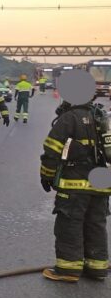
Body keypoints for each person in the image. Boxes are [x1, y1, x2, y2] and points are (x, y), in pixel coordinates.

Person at [40, 100, 110, 282]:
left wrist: (47, 175)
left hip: (74, 183)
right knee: (95, 223)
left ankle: (68, 269)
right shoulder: (101, 117)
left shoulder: (69, 118)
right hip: (102, 183)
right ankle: (97, 267)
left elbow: (51, 151)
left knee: (70, 224)